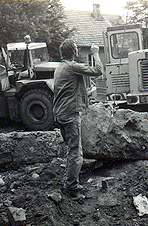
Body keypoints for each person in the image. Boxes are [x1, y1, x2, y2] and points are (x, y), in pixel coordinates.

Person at [53, 40, 103, 199]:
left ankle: (68, 181)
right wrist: (95, 52)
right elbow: (98, 70)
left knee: (71, 149)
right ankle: (72, 189)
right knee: (76, 152)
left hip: (60, 113)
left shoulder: (60, 68)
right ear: (74, 52)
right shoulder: (72, 67)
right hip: (70, 114)